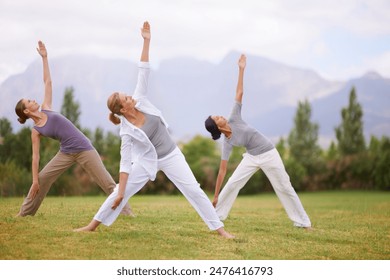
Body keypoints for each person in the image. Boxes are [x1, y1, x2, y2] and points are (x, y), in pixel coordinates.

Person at [74, 21, 234, 238]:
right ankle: (92, 225)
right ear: (123, 108)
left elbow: (143, 71)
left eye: (128, 95)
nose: (130, 96)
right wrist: (121, 192)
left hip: (171, 155)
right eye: (126, 98)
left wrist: (147, 40)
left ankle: (220, 230)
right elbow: (124, 163)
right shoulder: (126, 131)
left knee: (194, 190)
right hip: (147, 162)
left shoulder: (140, 100)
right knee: (118, 193)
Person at [15, 41, 133, 217]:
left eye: (31, 99)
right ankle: (24, 214)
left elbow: (48, 81)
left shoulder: (46, 107)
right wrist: (34, 180)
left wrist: (45, 58)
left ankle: (127, 213)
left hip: (84, 148)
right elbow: (35, 156)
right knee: (41, 179)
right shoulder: (36, 131)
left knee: (107, 182)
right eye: (29, 102)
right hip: (66, 153)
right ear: (26, 111)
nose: (33, 101)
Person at [204, 54, 312, 229]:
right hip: (252, 157)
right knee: (232, 183)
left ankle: (303, 221)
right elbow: (222, 171)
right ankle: (216, 217)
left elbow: (239, 93)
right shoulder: (227, 143)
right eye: (217, 118)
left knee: (284, 186)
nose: (221, 115)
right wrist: (216, 195)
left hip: (269, 153)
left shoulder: (234, 118)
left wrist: (241, 69)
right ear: (217, 126)